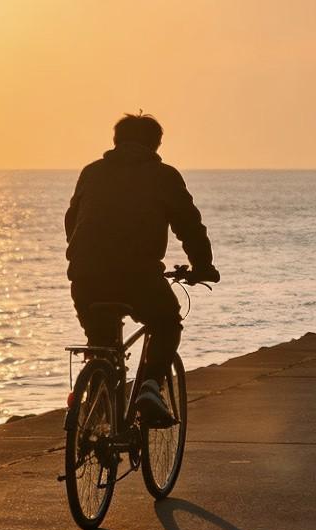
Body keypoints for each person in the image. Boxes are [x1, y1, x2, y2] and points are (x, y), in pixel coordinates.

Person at [65, 113, 219, 425]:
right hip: (138, 278)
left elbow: (72, 222)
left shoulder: (91, 173)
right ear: (155, 144)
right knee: (166, 322)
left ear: (116, 141)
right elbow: (189, 226)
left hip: (86, 279)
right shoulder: (163, 176)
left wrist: (84, 259)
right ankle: (150, 386)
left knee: (101, 344)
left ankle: (95, 407)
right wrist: (202, 266)